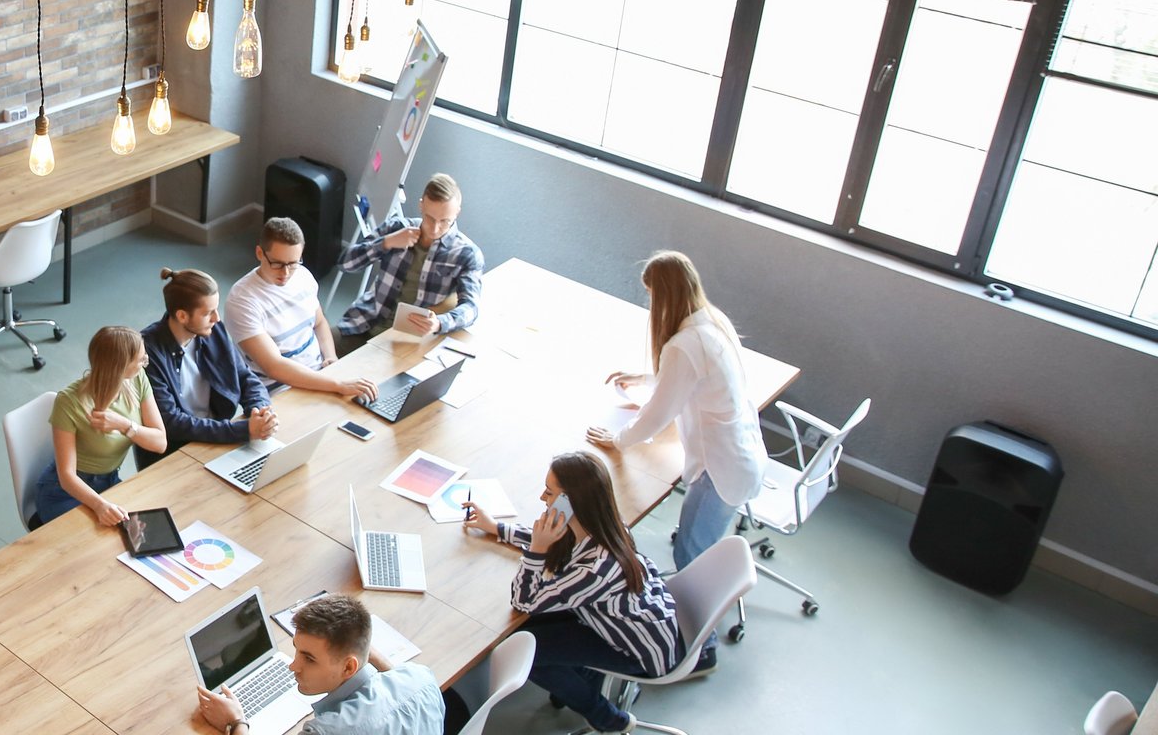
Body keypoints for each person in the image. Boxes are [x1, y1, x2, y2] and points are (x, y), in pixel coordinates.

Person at [585, 250, 764, 669]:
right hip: (740, 456)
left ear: (663, 297)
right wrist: (647, 376)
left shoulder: (684, 345)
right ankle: (697, 632)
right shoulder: (710, 322)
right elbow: (689, 380)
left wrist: (619, 440)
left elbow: (657, 417)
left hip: (721, 470)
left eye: (651, 296)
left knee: (691, 556)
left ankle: (702, 650)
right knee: (695, 548)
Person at [462, 451, 682, 734]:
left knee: (528, 655)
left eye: (549, 492)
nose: (543, 497)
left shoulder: (596, 569)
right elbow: (555, 543)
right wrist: (496, 527)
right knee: (527, 630)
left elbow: (523, 600)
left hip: (638, 650)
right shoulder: (600, 525)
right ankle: (580, 678)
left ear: (570, 502)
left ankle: (607, 719)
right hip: (623, 620)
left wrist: (536, 552)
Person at [195, 593, 444, 735]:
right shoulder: (423, 678)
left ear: (348, 668)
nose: (293, 666)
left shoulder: (327, 731)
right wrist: (358, 643)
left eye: (309, 658)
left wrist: (236, 722)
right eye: (297, 650)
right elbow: (398, 678)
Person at [225, 217, 377, 401]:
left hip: (320, 374)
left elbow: (319, 323)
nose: (285, 273)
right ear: (259, 253)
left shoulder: (303, 277)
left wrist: (330, 357)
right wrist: (336, 385)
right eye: (277, 263)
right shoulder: (242, 301)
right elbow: (274, 366)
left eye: (293, 263)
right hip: (280, 389)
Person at [32, 325, 168, 527]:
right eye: (141, 359)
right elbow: (66, 476)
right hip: (65, 491)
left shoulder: (137, 379)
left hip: (110, 481)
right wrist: (99, 505)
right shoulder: (69, 402)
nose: (145, 363)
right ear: (120, 366)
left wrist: (124, 425)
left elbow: (160, 443)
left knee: (141, 530)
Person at [140, 269, 276, 469]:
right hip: (175, 452)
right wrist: (242, 430)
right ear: (182, 316)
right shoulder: (147, 352)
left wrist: (261, 411)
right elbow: (172, 422)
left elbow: (244, 376)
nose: (217, 318)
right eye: (207, 313)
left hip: (216, 437)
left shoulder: (213, 330)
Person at [335, 173, 483, 355]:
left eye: (445, 221)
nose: (435, 228)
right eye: (430, 218)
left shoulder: (466, 254)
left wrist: (439, 323)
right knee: (318, 358)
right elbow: (345, 263)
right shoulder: (397, 228)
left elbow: (471, 308)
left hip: (405, 340)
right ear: (421, 205)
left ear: (457, 212)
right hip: (363, 322)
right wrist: (386, 243)